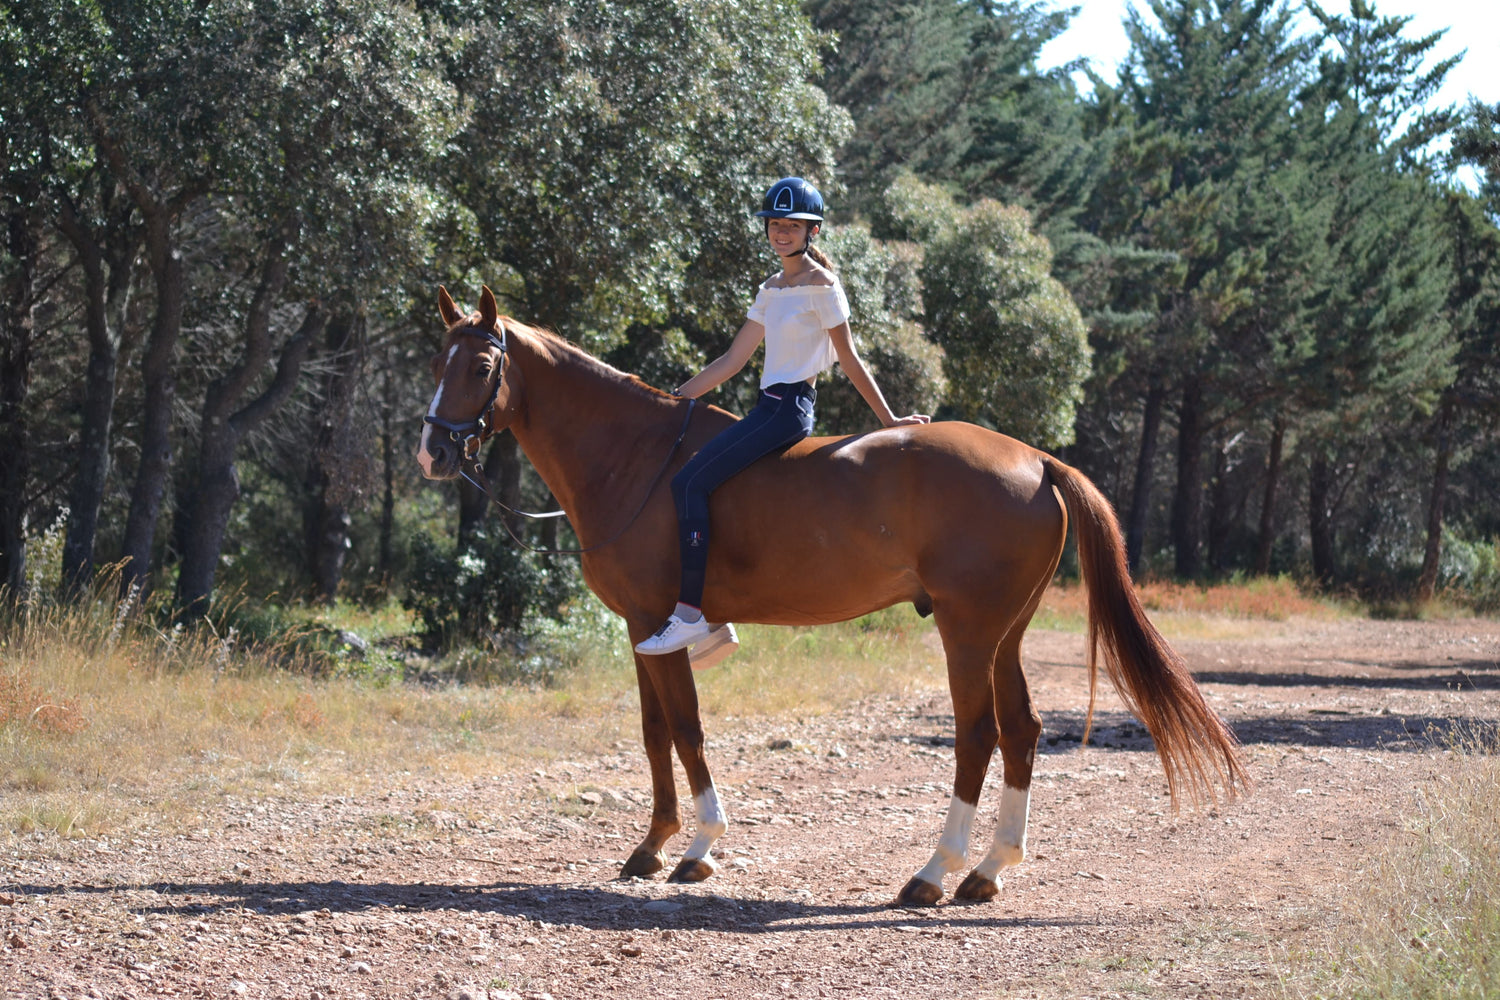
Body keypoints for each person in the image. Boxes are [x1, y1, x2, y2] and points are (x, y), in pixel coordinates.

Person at [635, 177, 931, 657]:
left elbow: (850, 360)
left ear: (812, 231)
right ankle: (712, 615)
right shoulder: (771, 288)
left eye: (792, 225)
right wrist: (673, 399)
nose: (781, 232)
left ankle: (690, 615)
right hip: (764, 405)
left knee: (688, 484)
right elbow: (733, 360)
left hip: (791, 410)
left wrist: (891, 420)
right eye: (775, 224)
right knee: (707, 483)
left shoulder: (823, 285)